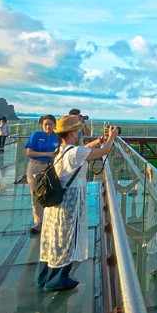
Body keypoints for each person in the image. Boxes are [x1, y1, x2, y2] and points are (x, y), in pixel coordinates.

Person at [37, 115, 118, 291]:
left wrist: (98, 141)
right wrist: (112, 137)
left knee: (54, 237)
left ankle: (44, 277)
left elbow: (83, 151)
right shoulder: (74, 152)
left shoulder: (62, 149)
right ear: (73, 132)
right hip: (69, 202)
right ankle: (57, 280)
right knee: (65, 238)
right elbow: (103, 152)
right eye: (78, 129)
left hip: (58, 200)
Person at [25, 114, 59, 234]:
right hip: (36, 166)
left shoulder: (57, 137)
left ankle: (51, 219)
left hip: (51, 167)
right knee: (36, 194)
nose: (48, 127)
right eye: (45, 124)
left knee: (51, 192)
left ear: (55, 125)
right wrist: (47, 154)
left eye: (50, 124)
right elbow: (29, 152)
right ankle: (39, 222)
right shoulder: (36, 135)